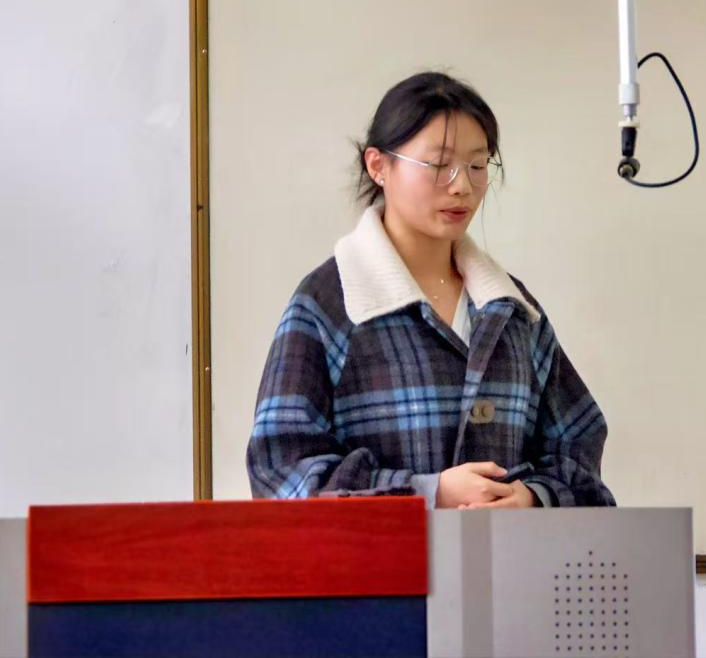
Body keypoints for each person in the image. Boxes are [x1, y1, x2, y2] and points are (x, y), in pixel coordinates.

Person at [246, 72, 614, 509]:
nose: (462, 186)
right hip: (382, 557)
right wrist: (426, 493)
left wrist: (532, 497)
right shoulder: (330, 304)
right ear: (378, 166)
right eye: (439, 165)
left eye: (477, 166)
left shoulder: (513, 310)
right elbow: (281, 472)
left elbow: (579, 448)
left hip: (506, 555)